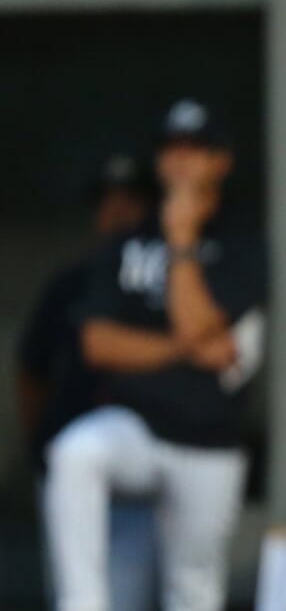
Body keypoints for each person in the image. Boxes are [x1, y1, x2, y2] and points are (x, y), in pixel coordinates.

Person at [43, 98, 267, 611]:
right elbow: (97, 343)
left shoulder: (241, 240)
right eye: (173, 149)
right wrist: (187, 349)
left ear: (221, 161)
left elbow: (200, 323)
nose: (183, 160)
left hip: (210, 442)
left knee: (193, 589)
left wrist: (181, 240)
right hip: (137, 429)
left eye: (197, 148)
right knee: (75, 453)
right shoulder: (127, 241)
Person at [16, 154, 155, 611]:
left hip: (138, 466)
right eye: (106, 201)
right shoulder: (71, 283)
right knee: (74, 597)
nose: (116, 211)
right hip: (70, 458)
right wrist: (38, 442)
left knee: (129, 596)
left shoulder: (163, 282)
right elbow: (31, 369)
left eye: (128, 201)